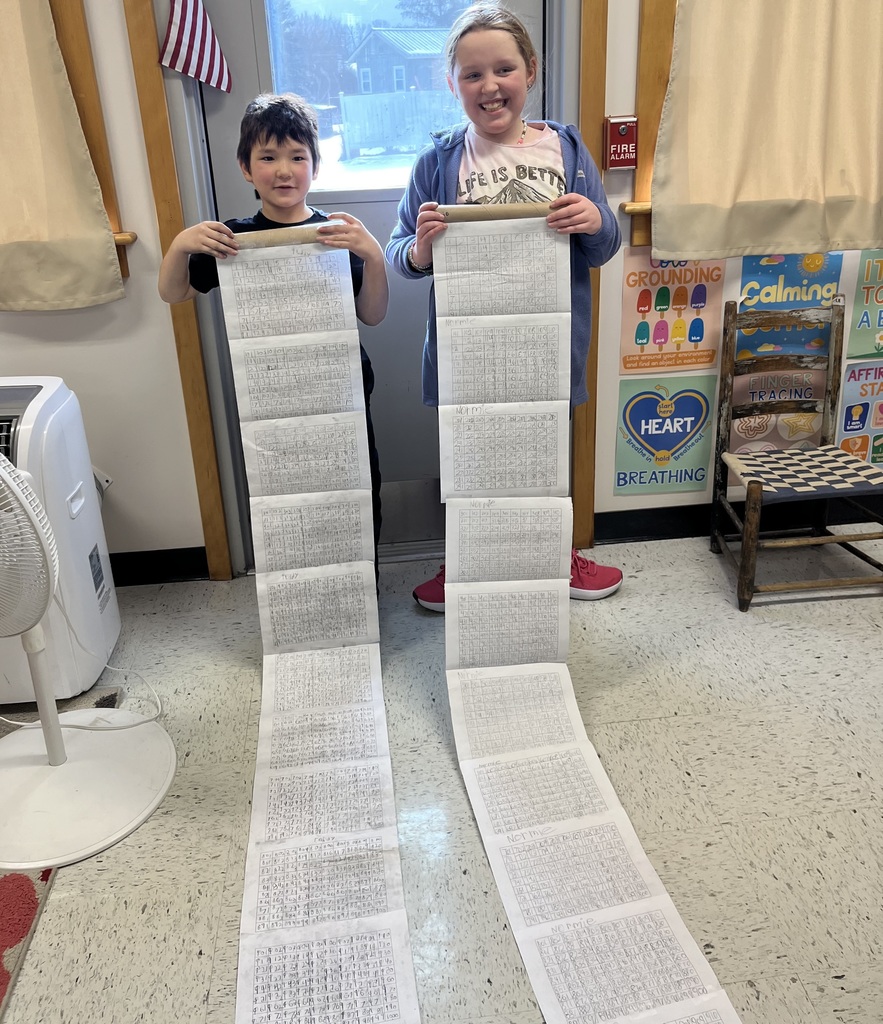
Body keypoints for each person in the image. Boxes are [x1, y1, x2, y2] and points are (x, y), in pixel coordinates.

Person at [386, 1, 623, 612]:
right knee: (470, 463)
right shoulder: (438, 162)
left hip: (547, 343)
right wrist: (420, 250)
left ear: (531, 71)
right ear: (452, 84)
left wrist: (595, 218)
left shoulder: (564, 151)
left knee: (546, 463)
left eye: (503, 70)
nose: (489, 86)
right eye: (472, 74)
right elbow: (397, 255)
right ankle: (464, 560)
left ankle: (556, 556)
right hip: (468, 349)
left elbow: (603, 248)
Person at [159, 92, 388, 564]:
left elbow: (373, 313)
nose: (284, 170)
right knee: (285, 499)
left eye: (297, 157)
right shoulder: (232, 239)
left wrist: (374, 256)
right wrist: (181, 246)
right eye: (268, 157)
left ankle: (357, 591)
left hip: (339, 393)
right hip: (273, 399)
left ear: (315, 167)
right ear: (246, 167)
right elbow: (174, 292)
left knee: (356, 489)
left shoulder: (336, 235)